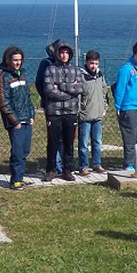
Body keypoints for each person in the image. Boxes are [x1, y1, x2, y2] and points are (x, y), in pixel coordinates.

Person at [43, 39, 83, 181]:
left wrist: (60, 86)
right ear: (57, 53)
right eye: (62, 52)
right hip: (54, 113)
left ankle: (68, 170)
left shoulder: (76, 70)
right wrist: (69, 92)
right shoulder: (50, 69)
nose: (64, 55)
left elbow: (80, 88)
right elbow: (49, 91)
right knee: (53, 143)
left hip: (71, 112)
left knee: (69, 143)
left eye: (67, 52)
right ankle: (51, 169)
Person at [0, 46, 35, 190]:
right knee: (17, 151)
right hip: (15, 122)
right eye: (15, 60)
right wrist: (15, 121)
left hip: (26, 119)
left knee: (25, 150)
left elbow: (27, 97)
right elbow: (4, 102)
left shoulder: (22, 75)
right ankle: (15, 179)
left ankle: (21, 176)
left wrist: (31, 115)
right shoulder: (3, 78)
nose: (17, 63)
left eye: (19, 60)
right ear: (8, 60)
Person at [113, 40, 137, 174]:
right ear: (134, 54)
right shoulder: (126, 69)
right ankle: (128, 163)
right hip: (128, 107)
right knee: (130, 135)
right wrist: (118, 106)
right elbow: (120, 89)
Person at [77, 49, 109, 175]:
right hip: (85, 115)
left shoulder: (100, 75)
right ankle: (83, 166)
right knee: (84, 143)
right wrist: (79, 111)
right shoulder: (82, 76)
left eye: (96, 63)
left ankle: (97, 164)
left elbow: (104, 92)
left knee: (97, 142)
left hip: (98, 115)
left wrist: (104, 107)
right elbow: (78, 95)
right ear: (86, 62)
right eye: (91, 63)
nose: (94, 66)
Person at [35, 40, 63, 175]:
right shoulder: (46, 63)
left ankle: (65, 164)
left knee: (66, 136)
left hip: (66, 106)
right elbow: (39, 83)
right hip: (51, 106)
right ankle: (55, 165)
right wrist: (47, 97)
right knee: (54, 136)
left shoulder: (65, 64)